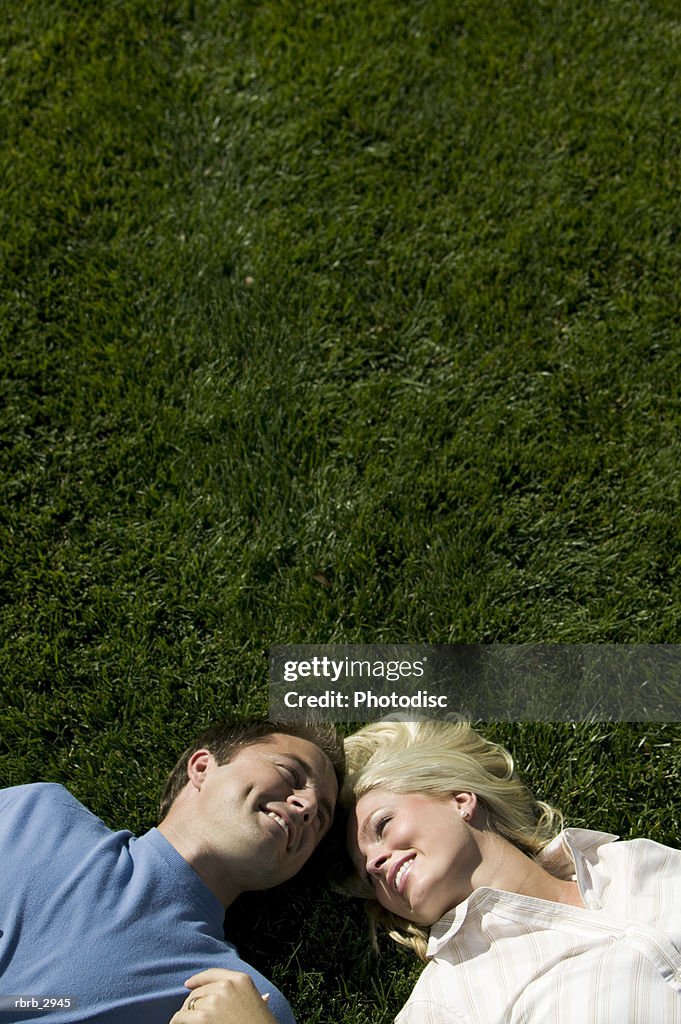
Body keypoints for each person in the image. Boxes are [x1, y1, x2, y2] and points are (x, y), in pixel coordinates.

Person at [0, 719, 343, 1024]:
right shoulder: (36, 812)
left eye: (322, 820)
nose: (308, 806)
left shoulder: (246, 1005)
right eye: (291, 774)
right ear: (203, 767)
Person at [340, 718, 681, 1023]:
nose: (375, 863)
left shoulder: (628, 858)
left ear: (460, 799)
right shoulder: (446, 1001)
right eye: (368, 876)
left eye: (382, 825)